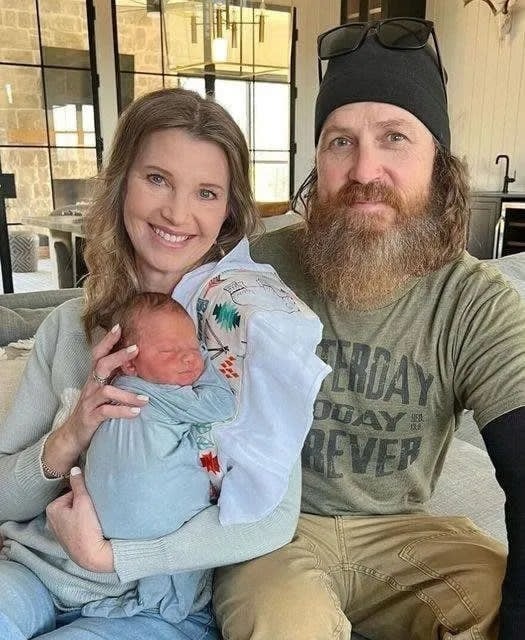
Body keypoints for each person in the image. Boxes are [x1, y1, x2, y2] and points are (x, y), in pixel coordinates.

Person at [212, 18, 525, 640]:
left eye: (394, 138)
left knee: (497, 596)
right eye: (340, 142)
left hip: (405, 535)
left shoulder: (475, 302)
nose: (363, 170)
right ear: (317, 161)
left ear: (439, 163)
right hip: (275, 529)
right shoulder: (257, 270)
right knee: (283, 625)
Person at [0, 87, 330, 640]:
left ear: (228, 212)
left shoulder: (249, 335)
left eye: (206, 192)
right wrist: (72, 433)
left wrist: (115, 558)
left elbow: (272, 517)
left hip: (155, 603)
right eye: (157, 178)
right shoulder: (66, 327)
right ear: (121, 183)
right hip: (34, 571)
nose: (177, 213)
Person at [84, 291, 236, 541]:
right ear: (129, 363)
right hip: (163, 523)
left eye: (193, 346)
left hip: (103, 523)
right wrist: (205, 357)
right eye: (168, 351)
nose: (189, 357)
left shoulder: (115, 388)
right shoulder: (165, 395)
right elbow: (223, 405)